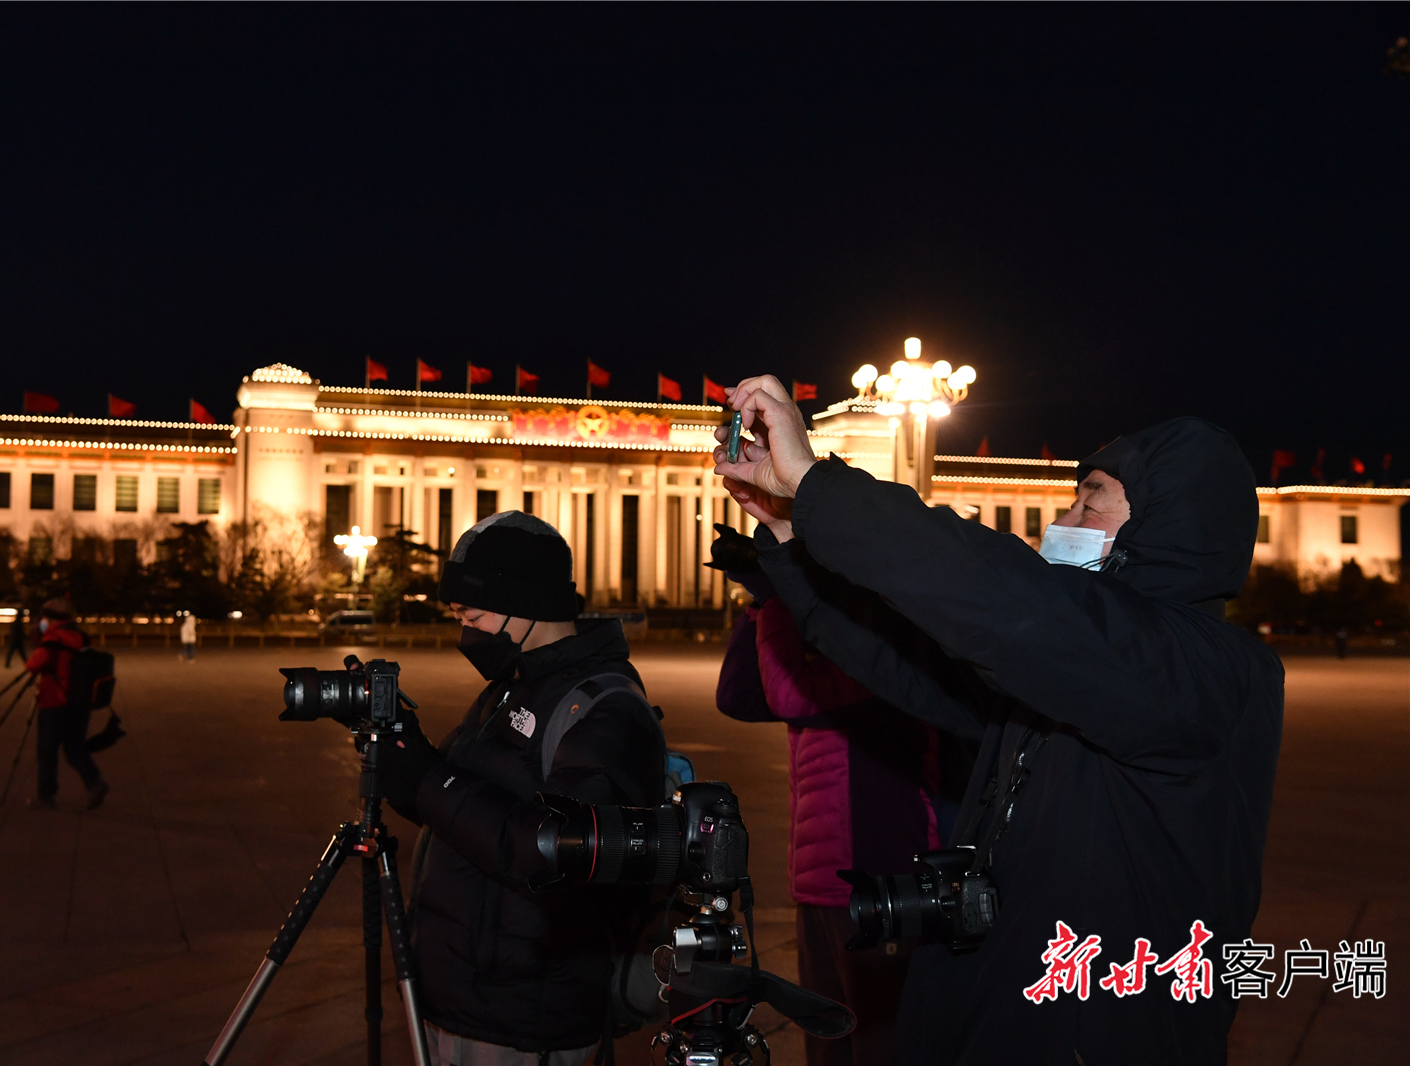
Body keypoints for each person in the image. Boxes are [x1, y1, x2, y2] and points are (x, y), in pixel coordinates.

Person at [714, 376, 1284, 1066]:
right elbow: (910, 662)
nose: (1064, 519)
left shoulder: (1197, 669)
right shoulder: (1070, 672)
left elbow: (996, 597)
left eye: (1091, 501)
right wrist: (787, 533)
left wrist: (815, 485)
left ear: (1168, 525)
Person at [373, 511, 668, 1066]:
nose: (465, 633)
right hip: (462, 995)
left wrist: (433, 779)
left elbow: (555, 853)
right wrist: (401, 756)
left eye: (472, 615)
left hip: (526, 1015)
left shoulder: (604, 709)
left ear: (527, 603)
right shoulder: (512, 688)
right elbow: (463, 814)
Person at [712, 525, 976, 1065]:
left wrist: (773, 597)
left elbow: (788, 697)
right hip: (823, 883)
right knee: (829, 1040)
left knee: (879, 1042)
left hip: (879, 880)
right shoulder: (838, 665)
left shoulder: (891, 666)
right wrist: (760, 606)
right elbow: (738, 696)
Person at [26, 597, 109, 810]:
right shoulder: (80, 635)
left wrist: (37, 639)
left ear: (50, 619)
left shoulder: (54, 636)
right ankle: (95, 782)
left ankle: (46, 795)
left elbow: (34, 664)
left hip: (55, 701)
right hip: (80, 702)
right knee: (74, 748)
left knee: (47, 750)